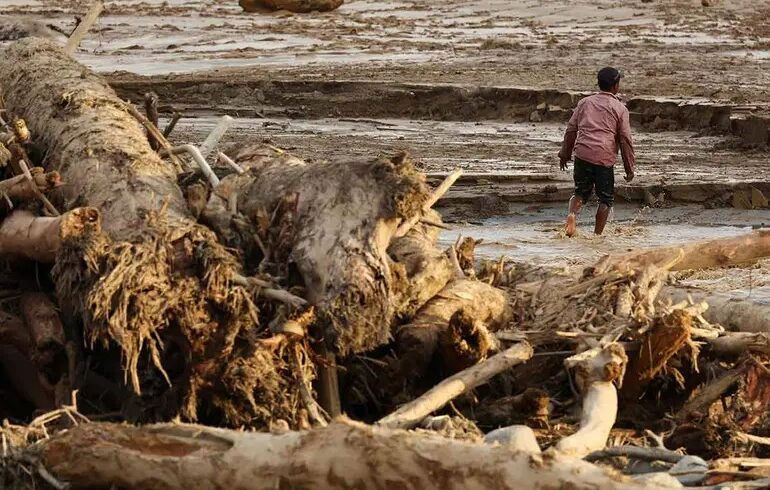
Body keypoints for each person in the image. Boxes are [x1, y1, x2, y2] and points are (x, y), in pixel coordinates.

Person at [558, 67, 635, 237]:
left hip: (582, 154)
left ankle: (572, 216)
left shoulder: (585, 103)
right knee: (605, 199)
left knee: (580, 192)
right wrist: (629, 168)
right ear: (616, 86)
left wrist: (565, 153)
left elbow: (571, 130)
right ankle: (597, 236)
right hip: (604, 157)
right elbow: (625, 141)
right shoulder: (620, 109)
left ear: (599, 84)